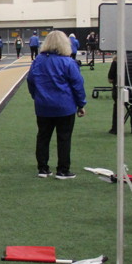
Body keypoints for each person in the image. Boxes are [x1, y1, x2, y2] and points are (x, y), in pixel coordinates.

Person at [27, 31, 86, 179]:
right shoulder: (68, 62)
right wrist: (81, 104)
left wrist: (36, 96)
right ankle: (63, 170)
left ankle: (43, 168)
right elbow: (77, 84)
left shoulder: (38, 61)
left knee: (43, 137)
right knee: (64, 138)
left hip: (43, 106)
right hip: (64, 106)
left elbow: (30, 80)